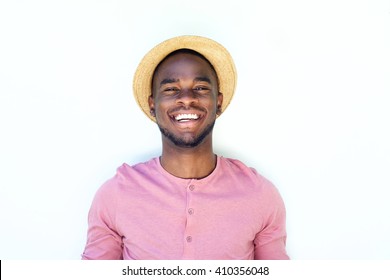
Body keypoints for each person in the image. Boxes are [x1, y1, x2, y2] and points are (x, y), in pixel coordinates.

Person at [81, 35, 289, 260]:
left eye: (200, 87)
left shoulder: (260, 195)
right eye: (171, 89)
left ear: (218, 102)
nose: (187, 99)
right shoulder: (115, 196)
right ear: (153, 104)